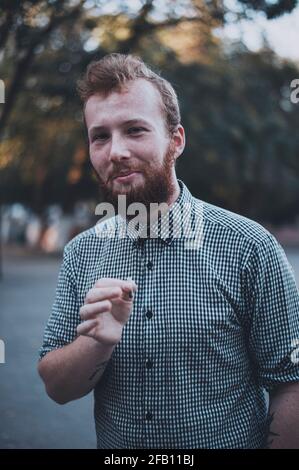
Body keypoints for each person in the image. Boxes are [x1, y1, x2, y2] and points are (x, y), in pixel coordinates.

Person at [38, 53, 299, 449]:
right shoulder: (80, 253)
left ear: (175, 141)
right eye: (100, 136)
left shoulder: (249, 246)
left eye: (135, 130)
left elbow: (291, 382)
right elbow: (57, 388)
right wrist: (97, 342)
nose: (116, 152)